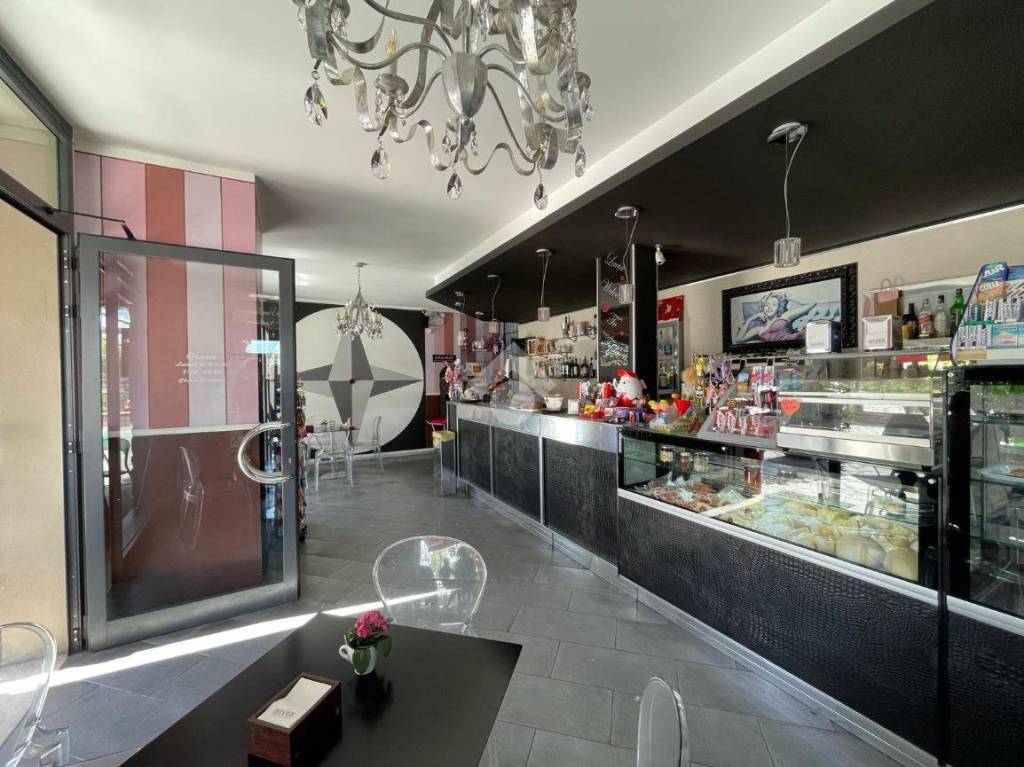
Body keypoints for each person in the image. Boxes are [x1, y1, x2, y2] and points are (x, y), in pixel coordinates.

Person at [735, 292, 816, 344]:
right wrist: (751, 319)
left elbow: (812, 303)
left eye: (774, 304)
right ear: (763, 308)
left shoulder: (785, 316)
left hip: (796, 342)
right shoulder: (758, 329)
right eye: (767, 305)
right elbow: (738, 339)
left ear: (778, 308)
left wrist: (787, 296)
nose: (769, 307)